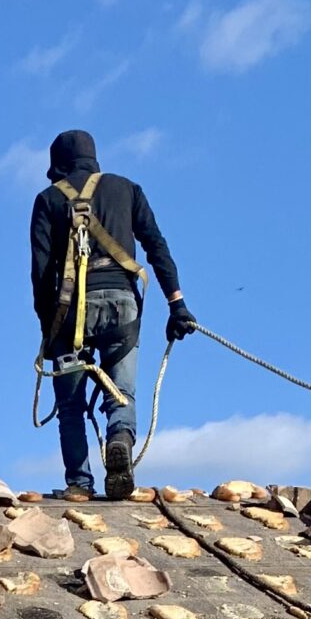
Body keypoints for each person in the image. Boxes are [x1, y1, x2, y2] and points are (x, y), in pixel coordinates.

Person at [30, 130, 194, 501]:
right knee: (121, 394)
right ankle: (119, 437)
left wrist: (48, 330)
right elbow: (156, 246)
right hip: (122, 306)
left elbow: (40, 273)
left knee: (70, 407)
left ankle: (79, 483)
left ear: (58, 165)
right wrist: (177, 305)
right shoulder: (127, 189)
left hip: (69, 313)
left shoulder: (47, 199)